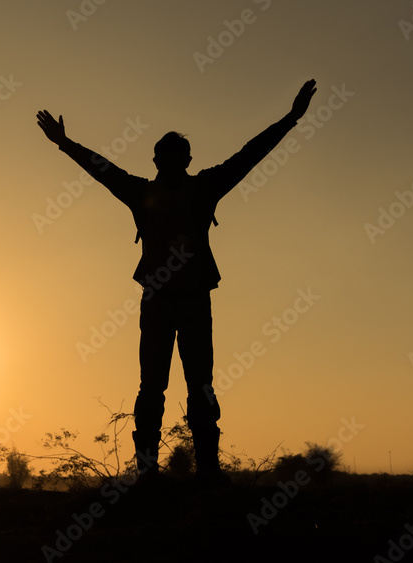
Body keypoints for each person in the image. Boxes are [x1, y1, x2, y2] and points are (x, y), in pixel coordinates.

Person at [36, 79, 317, 485]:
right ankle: (156, 472)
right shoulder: (154, 192)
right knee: (156, 386)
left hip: (190, 300)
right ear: (160, 161)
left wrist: (290, 119)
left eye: (174, 156)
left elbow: (249, 155)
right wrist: (65, 143)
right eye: (165, 157)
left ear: (182, 160)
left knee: (192, 385)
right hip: (162, 301)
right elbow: (102, 169)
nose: (168, 163)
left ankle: (202, 472)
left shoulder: (198, 188)